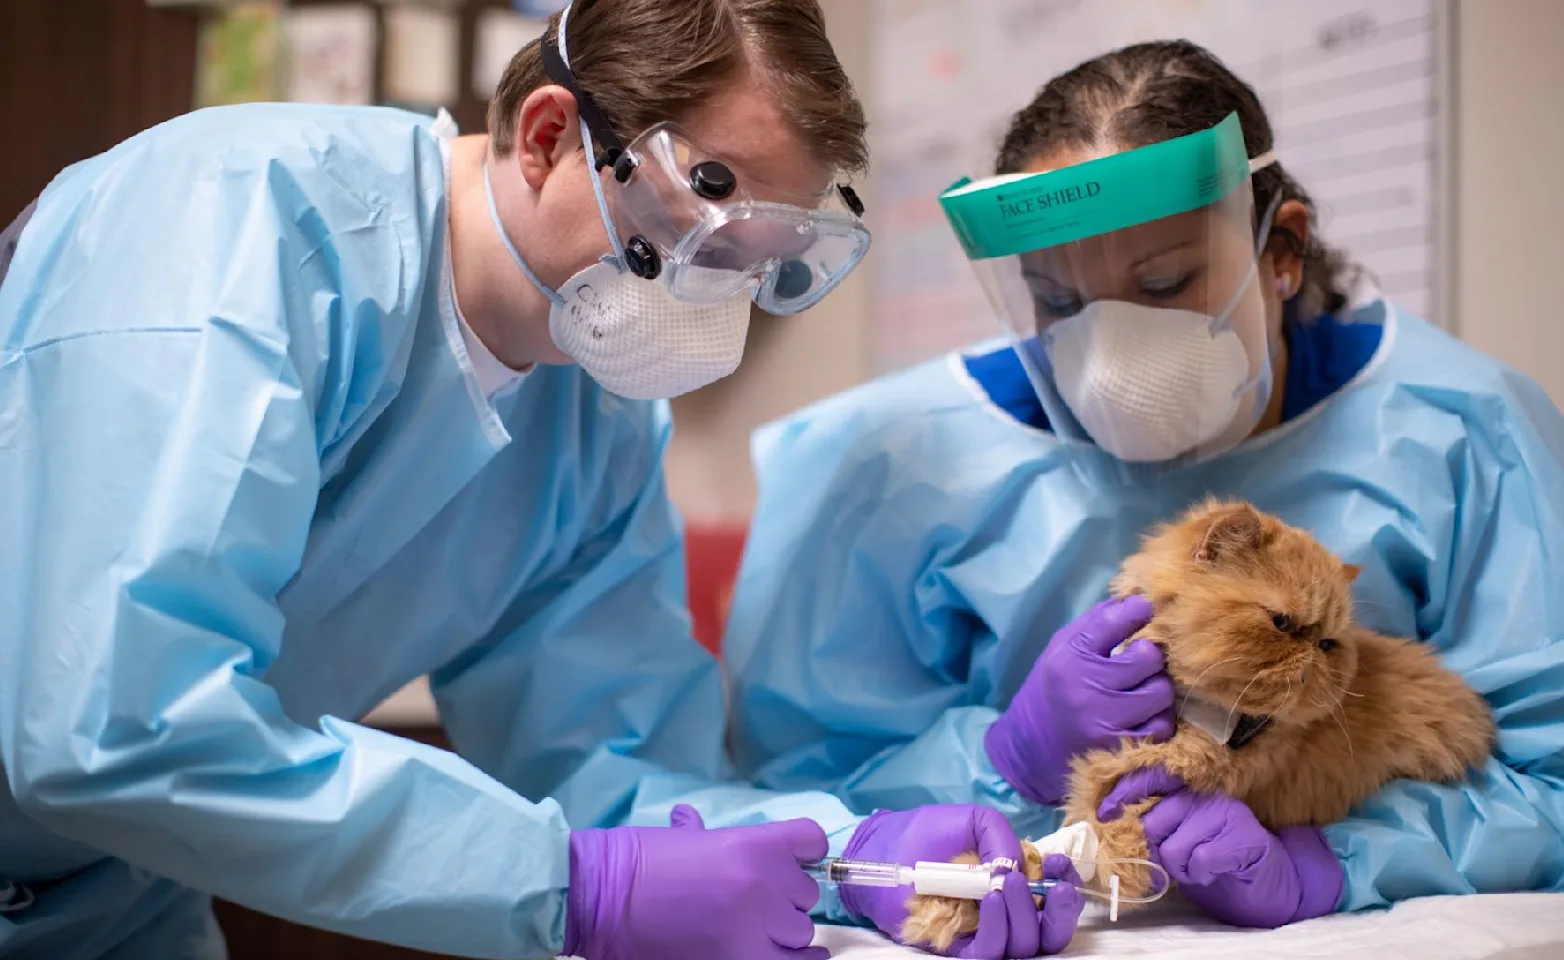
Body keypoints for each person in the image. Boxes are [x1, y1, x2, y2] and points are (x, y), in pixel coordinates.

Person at [0, 2, 1086, 958]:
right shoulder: (239, 226)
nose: (719, 300)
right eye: (697, 231)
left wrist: (851, 863)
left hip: (113, 892)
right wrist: (578, 891)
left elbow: (607, 774)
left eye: (756, 263)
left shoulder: (597, 419)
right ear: (548, 134)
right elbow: (114, 724)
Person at [724, 38, 1564, 940]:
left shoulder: (1463, 430)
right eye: (1056, 301)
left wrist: (1334, 861)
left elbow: (1546, 782)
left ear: (1282, 250)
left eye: (1164, 282)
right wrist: (1011, 754)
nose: (1111, 358)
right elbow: (780, 788)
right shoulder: (885, 463)